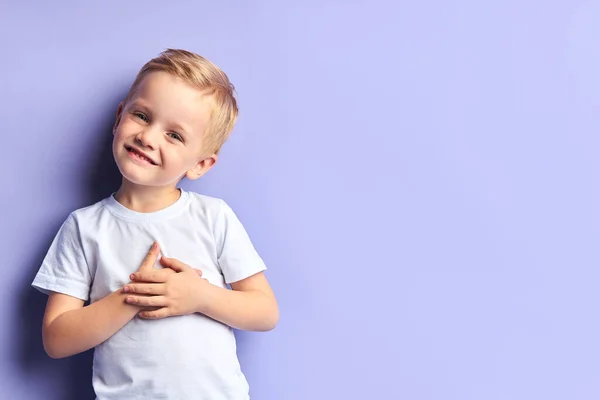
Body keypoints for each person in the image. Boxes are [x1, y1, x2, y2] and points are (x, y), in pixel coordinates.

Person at [31, 48, 279, 399]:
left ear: (201, 165)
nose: (148, 137)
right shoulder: (84, 228)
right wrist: (133, 298)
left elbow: (265, 312)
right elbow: (56, 338)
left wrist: (200, 296)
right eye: (142, 116)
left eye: (174, 135)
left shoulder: (213, 216)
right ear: (120, 118)